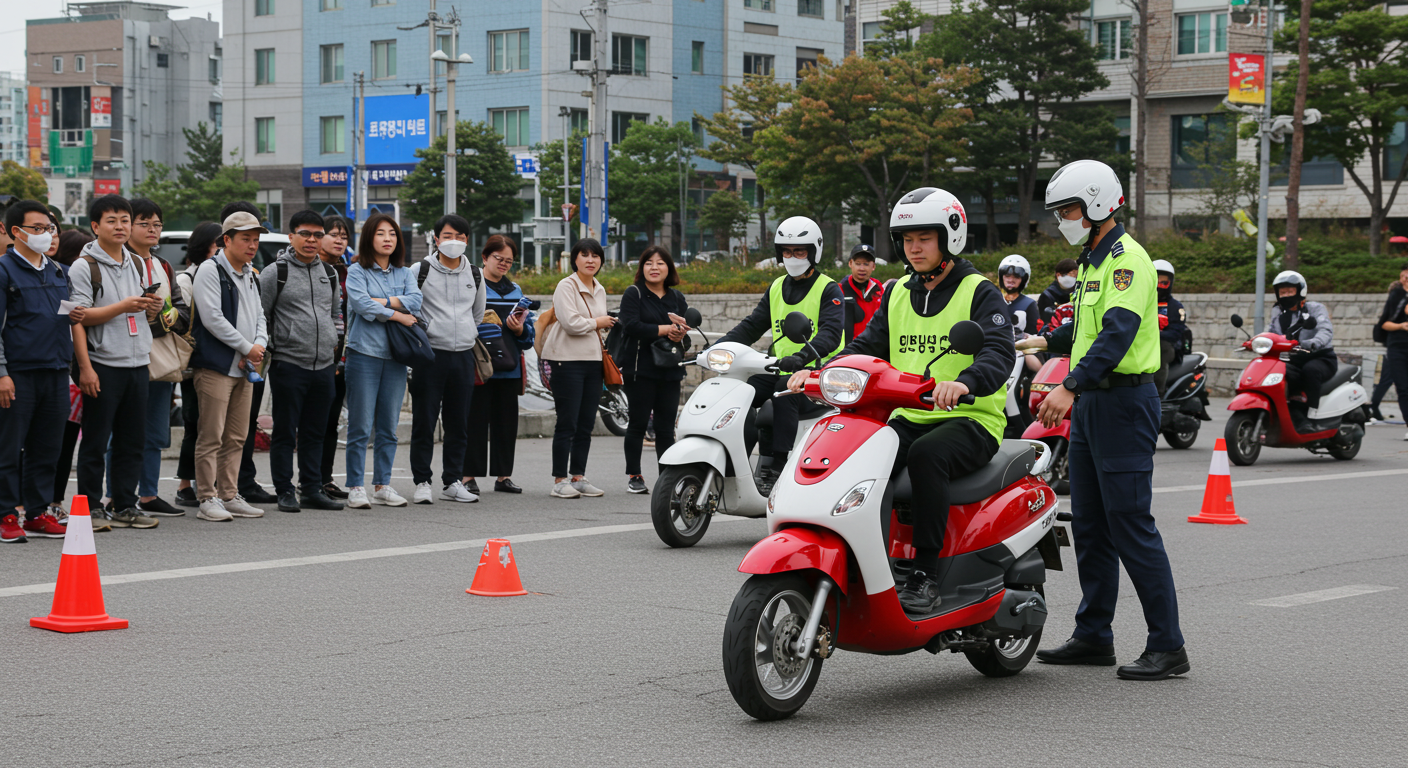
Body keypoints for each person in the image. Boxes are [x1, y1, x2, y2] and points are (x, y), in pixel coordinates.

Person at [788, 188, 1012, 614]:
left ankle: (925, 575)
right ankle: (867, 560)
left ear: (950, 237)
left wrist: (964, 382)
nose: (914, 248)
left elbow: (999, 351)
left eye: (925, 238)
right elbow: (866, 345)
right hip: (909, 414)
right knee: (857, 454)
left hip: (969, 419)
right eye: (907, 239)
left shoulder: (979, 291)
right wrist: (818, 371)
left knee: (928, 455)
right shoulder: (897, 293)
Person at [1024, 159, 1188, 681]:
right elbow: (1086, 331)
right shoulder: (1091, 262)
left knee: (1130, 524)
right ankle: (1094, 635)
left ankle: (1168, 645)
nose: (1062, 220)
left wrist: (1069, 385)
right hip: (1095, 402)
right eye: (1058, 212)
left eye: (1069, 210)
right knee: (1092, 527)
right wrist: (1042, 340)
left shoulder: (1126, 261)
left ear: (1098, 204)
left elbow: (1117, 334)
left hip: (1123, 402)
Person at [716, 216, 844, 493]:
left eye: (799, 251)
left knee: (784, 390)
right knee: (740, 392)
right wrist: (718, 347)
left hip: (820, 372)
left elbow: (831, 333)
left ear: (814, 252)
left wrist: (802, 357)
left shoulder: (828, 288)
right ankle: (733, 462)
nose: (792, 257)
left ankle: (777, 466)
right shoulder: (776, 286)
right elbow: (752, 325)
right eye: (787, 251)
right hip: (781, 367)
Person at [69, 195, 161, 530]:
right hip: (103, 363)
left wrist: (151, 307)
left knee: (132, 441)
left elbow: (140, 312)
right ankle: (91, 508)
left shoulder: (136, 261)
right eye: (112, 220)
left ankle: (124, 505)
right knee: (95, 441)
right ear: (95, 226)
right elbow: (78, 317)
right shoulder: (84, 266)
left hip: (137, 362)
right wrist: (86, 368)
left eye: (125, 220)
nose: (120, 226)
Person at [0, 200, 79, 542]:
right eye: (37, 228)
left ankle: (36, 512)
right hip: (18, 373)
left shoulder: (59, 271)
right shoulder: (4, 271)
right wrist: (2, 373)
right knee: (8, 448)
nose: (45, 234)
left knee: (47, 448)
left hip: (56, 370)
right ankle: (6, 514)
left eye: (49, 228)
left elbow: (69, 319)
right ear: (16, 232)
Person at [108, 198, 190, 518]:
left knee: (155, 431)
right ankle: (114, 496)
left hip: (159, 359)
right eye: (144, 224)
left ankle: (149, 494)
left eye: (157, 224)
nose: (153, 230)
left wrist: (165, 315)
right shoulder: (117, 261)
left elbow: (182, 312)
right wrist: (148, 313)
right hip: (123, 357)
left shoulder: (164, 265)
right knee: (121, 432)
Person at [259, 210, 345, 513]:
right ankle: (284, 490)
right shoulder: (275, 272)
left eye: (317, 235)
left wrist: (334, 349)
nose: (311, 240)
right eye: (305, 234)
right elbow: (262, 315)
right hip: (288, 363)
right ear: (291, 235)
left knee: (315, 432)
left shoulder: (329, 273)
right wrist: (274, 347)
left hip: (324, 365)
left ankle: (310, 489)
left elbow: (335, 315)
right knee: (285, 431)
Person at [190, 212, 270, 522]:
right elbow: (212, 318)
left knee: (237, 435)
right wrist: (247, 347)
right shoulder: (210, 270)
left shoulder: (250, 273)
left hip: (245, 366)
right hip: (216, 366)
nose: (252, 245)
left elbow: (260, 315)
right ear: (227, 239)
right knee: (211, 434)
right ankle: (207, 497)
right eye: (246, 239)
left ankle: (229, 494)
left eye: (256, 240)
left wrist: (258, 344)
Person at [343, 213, 422, 509]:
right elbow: (362, 305)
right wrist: (398, 314)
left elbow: (416, 300)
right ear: (369, 238)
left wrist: (382, 302)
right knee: (360, 426)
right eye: (380, 233)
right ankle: (355, 486)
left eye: (392, 233)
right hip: (364, 354)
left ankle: (382, 485)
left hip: (396, 357)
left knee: (389, 426)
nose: (387, 238)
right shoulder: (357, 271)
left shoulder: (405, 272)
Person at [407, 214, 484, 505]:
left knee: (458, 423)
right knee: (424, 421)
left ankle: (452, 481)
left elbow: (477, 314)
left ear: (467, 240)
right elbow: (411, 308)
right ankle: (422, 481)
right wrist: (428, 332)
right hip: (430, 355)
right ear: (436, 238)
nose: (454, 241)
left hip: (463, 355)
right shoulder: (420, 270)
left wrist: (464, 333)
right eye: (448, 236)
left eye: (460, 237)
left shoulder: (474, 273)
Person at [542, 238, 613, 499]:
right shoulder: (566, 286)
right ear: (575, 259)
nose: (590, 260)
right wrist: (598, 322)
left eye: (595, 256)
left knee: (585, 423)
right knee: (567, 422)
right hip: (566, 361)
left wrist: (598, 324)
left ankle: (578, 476)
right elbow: (570, 323)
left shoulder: (599, 288)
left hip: (593, 362)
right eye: (584, 255)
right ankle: (560, 480)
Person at [464, 234, 535, 495]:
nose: (503, 264)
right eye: (499, 258)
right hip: (479, 365)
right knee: (475, 421)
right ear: (485, 257)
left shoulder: (515, 291)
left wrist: (519, 330)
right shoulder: (472, 285)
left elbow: (529, 336)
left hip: (509, 365)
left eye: (509, 261)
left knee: (506, 423)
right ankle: (468, 477)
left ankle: (503, 476)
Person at [617, 245, 690, 494]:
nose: (654, 267)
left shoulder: (677, 298)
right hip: (640, 370)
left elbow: (686, 336)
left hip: (670, 370)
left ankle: (666, 479)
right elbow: (631, 325)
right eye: (649, 263)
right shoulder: (634, 293)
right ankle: (634, 475)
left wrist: (679, 335)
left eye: (660, 263)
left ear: (669, 268)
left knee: (665, 428)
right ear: (642, 268)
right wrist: (665, 329)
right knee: (638, 424)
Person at [173, 222, 223, 508]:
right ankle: (185, 485)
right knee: (195, 422)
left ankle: (212, 483)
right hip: (195, 361)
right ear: (204, 247)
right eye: (219, 244)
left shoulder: (228, 274)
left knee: (216, 426)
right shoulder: (186, 279)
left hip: (221, 360)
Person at [1267, 270, 1336, 433]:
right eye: (1282, 292)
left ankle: (1312, 415)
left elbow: (1325, 330)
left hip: (1320, 357)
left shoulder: (1315, 308)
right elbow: (1271, 332)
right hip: (1293, 358)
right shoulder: (1278, 312)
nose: (1286, 295)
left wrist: (1313, 342)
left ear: (1300, 291)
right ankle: (1286, 412)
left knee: (1310, 370)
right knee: (1276, 371)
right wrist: (1259, 341)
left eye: (1290, 291)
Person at [317, 215, 352, 499]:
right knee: (309, 423)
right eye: (334, 234)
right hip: (311, 357)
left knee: (330, 421)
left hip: (340, 359)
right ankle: (304, 482)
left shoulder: (347, 272)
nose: (340, 240)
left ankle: (325, 478)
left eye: (344, 236)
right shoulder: (310, 268)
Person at [1369, 263, 1408, 428]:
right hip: (1397, 346)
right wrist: (1401, 326)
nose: (1405, 279)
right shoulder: (1396, 295)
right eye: (1403, 277)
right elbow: (1384, 323)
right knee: (1403, 387)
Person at [1151, 259, 1189, 396]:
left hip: (1165, 347)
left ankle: (1157, 394)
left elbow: (1176, 333)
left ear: (1170, 283)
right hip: (1142, 342)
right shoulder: (1140, 303)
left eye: (1164, 283)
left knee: (1161, 349)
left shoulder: (1175, 307)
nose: (1159, 286)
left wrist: (1154, 334)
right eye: (1156, 281)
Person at [840, 243, 884, 343]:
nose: (862, 268)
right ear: (850, 264)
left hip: (874, 346)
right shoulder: (840, 289)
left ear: (873, 266)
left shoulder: (879, 290)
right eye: (858, 263)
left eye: (866, 264)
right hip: (851, 348)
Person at [1037, 258, 1079, 329]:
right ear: (1059, 275)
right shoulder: (1048, 295)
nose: (1075, 277)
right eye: (1072, 274)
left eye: (1076, 274)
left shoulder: (1078, 292)